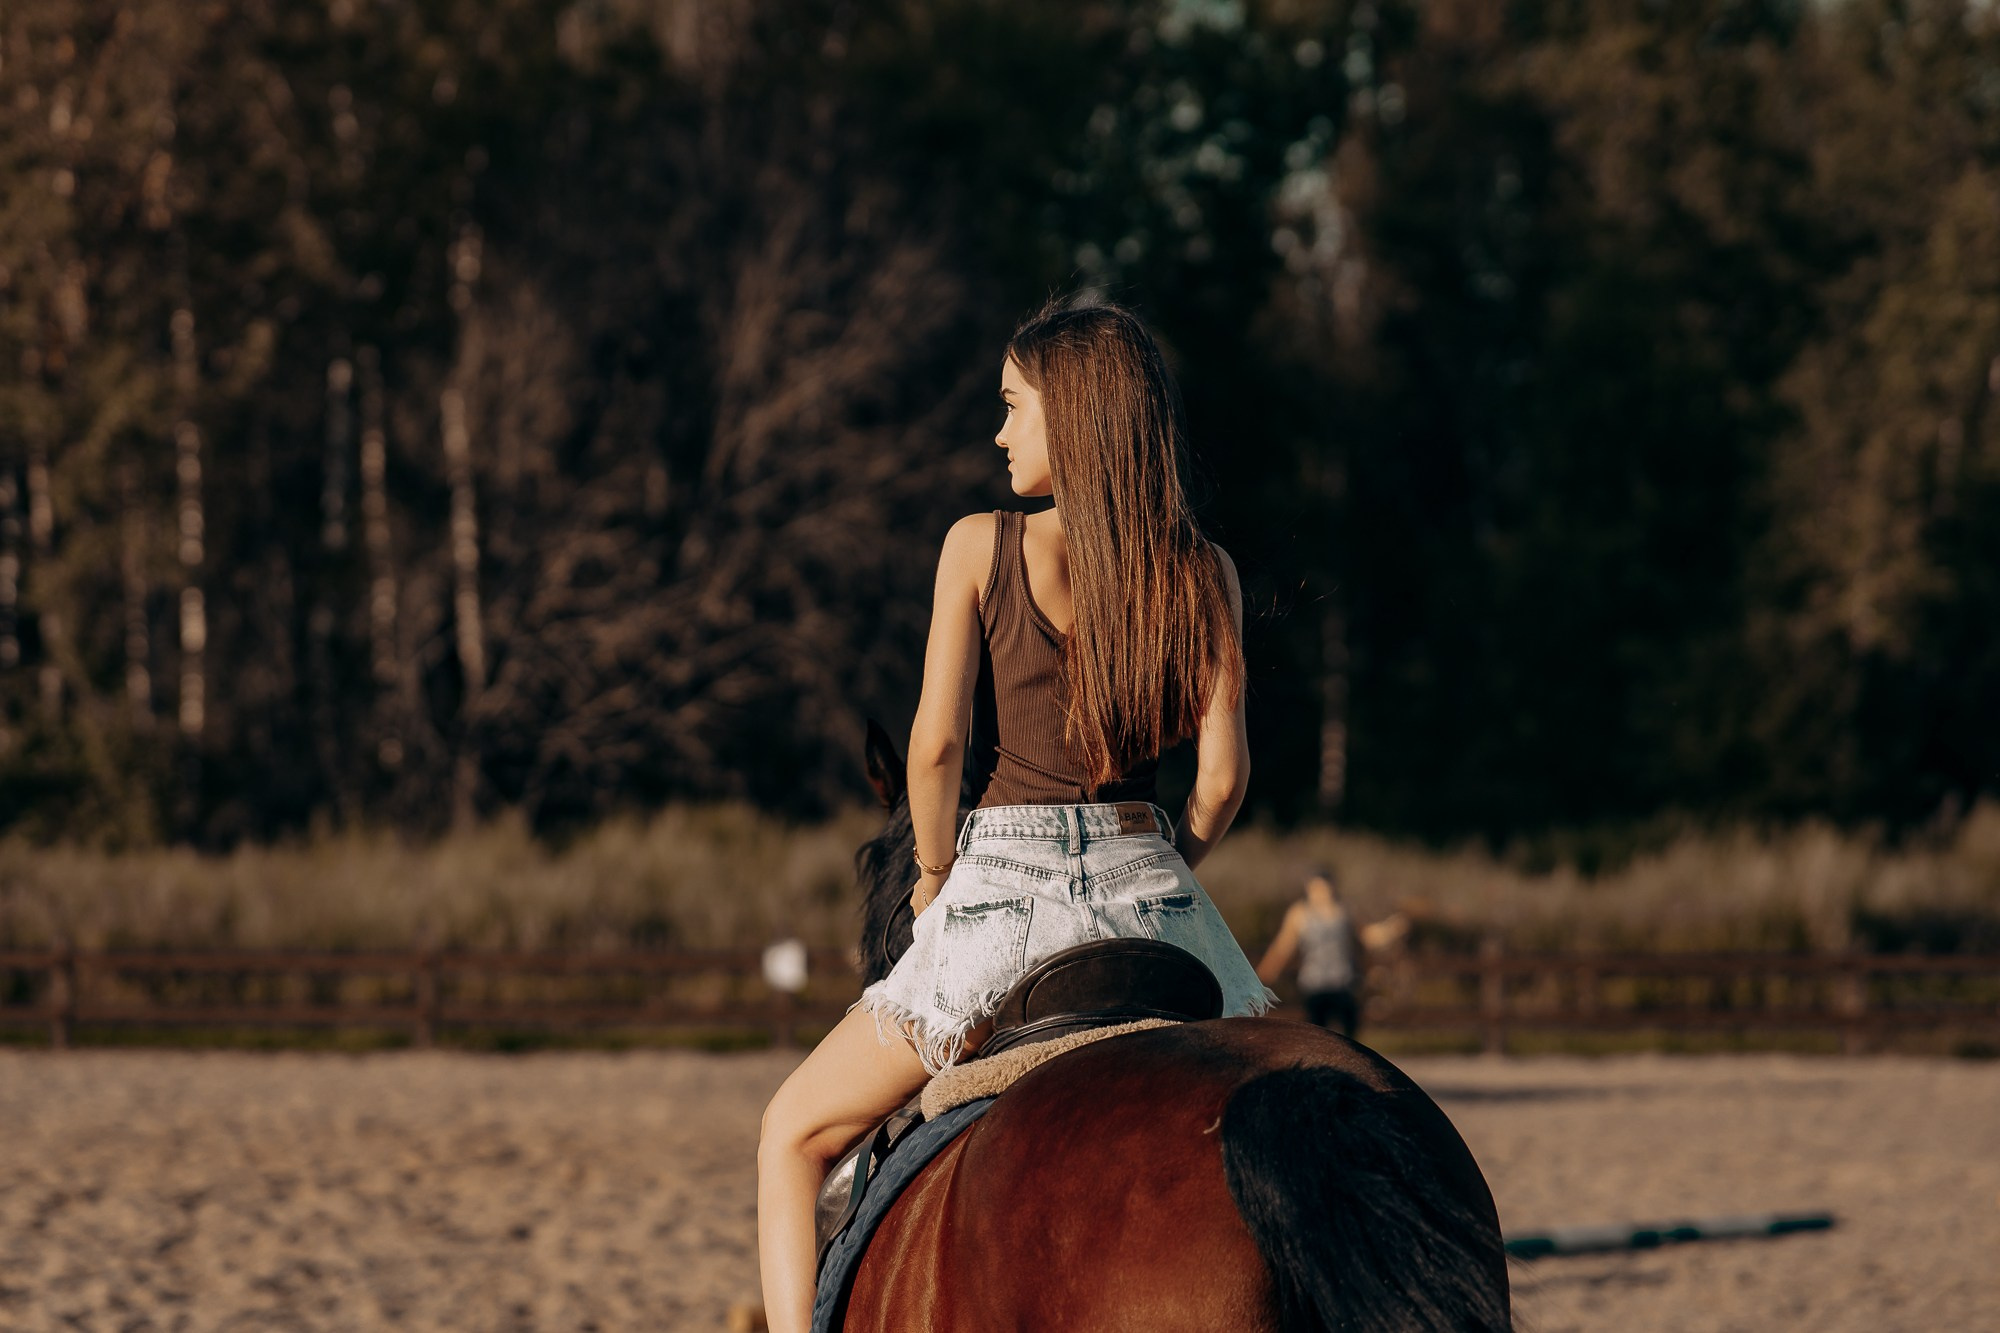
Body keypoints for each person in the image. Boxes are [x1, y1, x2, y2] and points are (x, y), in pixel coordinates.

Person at [756, 298, 1273, 1333]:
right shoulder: (1203, 570)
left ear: (1069, 416)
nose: (997, 434)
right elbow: (1219, 780)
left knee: (790, 1135)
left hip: (1003, 894)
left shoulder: (976, 547)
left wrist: (935, 873)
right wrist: (1166, 860)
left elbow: (934, 747)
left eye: (1010, 408)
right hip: (1155, 890)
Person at [1256, 866, 1364, 1039]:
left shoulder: (1346, 910)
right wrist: (1263, 975)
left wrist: (1394, 929)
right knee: (1318, 1036)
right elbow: (1283, 947)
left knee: (1351, 1038)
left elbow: (1367, 936)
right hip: (1315, 984)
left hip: (1344, 982)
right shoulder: (1299, 913)